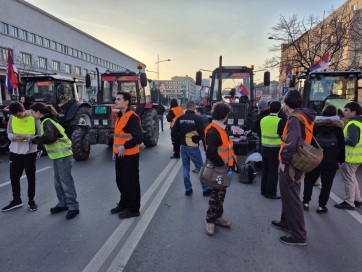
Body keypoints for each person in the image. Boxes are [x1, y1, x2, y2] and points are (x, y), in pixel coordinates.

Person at [271, 89, 316, 246]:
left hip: (291, 162)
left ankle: (299, 235)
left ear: (285, 102)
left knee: (292, 197)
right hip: (297, 160)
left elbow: (293, 142)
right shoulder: (304, 116)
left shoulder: (295, 119)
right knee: (288, 194)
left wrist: (284, 160)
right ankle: (286, 222)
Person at [30, 103, 80, 220]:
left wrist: (37, 141)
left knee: (66, 182)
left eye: (32, 112)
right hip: (58, 156)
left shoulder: (47, 121)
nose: (32, 115)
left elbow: (50, 137)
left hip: (63, 156)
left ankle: (73, 206)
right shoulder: (47, 121)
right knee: (58, 182)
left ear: (38, 112)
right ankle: (62, 203)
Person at [303, 105, 345, 213]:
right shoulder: (338, 128)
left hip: (315, 158)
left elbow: (310, 143)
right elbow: (341, 145)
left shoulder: (315, 125)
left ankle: (305, 202)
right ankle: (321, 206)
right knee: (327, 184)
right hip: (331, 160)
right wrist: (341, 160)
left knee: (309, 181)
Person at [2, 102, 41, 212]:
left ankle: (31, 201)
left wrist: (26, 137)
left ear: (23, 110)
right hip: (15, 151)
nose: (17, 117)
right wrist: (13, 137)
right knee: (14, 177)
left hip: (29, 152)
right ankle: (16, 200)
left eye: (19, 115)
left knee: (30, 178)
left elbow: (40, 136)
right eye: (15, 116)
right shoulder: (12, 117)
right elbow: (9, 132)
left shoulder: (34, 118)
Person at [110, 91, 143, 219]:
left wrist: (125, 146)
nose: (115, 101)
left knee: (131, 183)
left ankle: (134, 209)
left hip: (130, 156)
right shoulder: (119, 116)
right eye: (115, 99)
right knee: (121, 181)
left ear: (126, 102)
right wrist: (115, 151)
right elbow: (118, 138)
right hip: (120, 155)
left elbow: (139, 137)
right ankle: (124, 204)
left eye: (118, 99)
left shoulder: (132, 117)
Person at [205, 102, 234, 236]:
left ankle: (218, 216)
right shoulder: (214, 130)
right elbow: (211, 152)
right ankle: (211, 221)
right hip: (218, 168)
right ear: (225, 115)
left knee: (221, 194)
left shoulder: (221, 128)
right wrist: (222, 164)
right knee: (215, 195)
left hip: (225, 168)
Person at [171, 101, 210, 196]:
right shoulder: (198, 118)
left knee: (185, 168)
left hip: (183, 146)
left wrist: (180, 140)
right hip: (193, 147)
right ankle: (205, 189)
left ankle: (188, 189)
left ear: (187, 107)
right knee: (200, 167)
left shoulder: (180, 118)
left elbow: (173, 133)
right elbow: (202, 134)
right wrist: (205, 148)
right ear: (193, 107)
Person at [334, 102, 362, 210]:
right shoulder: (359, 123)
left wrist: (340, 140)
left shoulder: (353, 124)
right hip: (357, 156)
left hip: (351, 156)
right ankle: (357, 199)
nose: (344, 112)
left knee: (348, 179)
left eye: (346, 110)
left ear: (354, 112)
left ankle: (349, 202)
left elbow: (352, 141)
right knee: (352, 177)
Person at [260, 101, 286, 199]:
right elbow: (283, 136)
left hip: (264, 148)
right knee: (273, 172)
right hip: (275, 149)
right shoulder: (280, 121)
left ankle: (263, 190)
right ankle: (270, 193)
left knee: (265, 170)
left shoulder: (263, 119)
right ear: (279, 110)